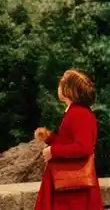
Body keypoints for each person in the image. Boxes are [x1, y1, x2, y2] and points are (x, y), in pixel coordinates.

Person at [34, 69, 104, 210]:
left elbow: (83, 147)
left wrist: (53, 151)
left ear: (69, 89)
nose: (58, 87)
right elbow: (70, 142)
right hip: (70, 186)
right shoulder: (76, 112)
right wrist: (50, 138)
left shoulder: (79, 114)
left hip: (74, 191)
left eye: (61, 84)